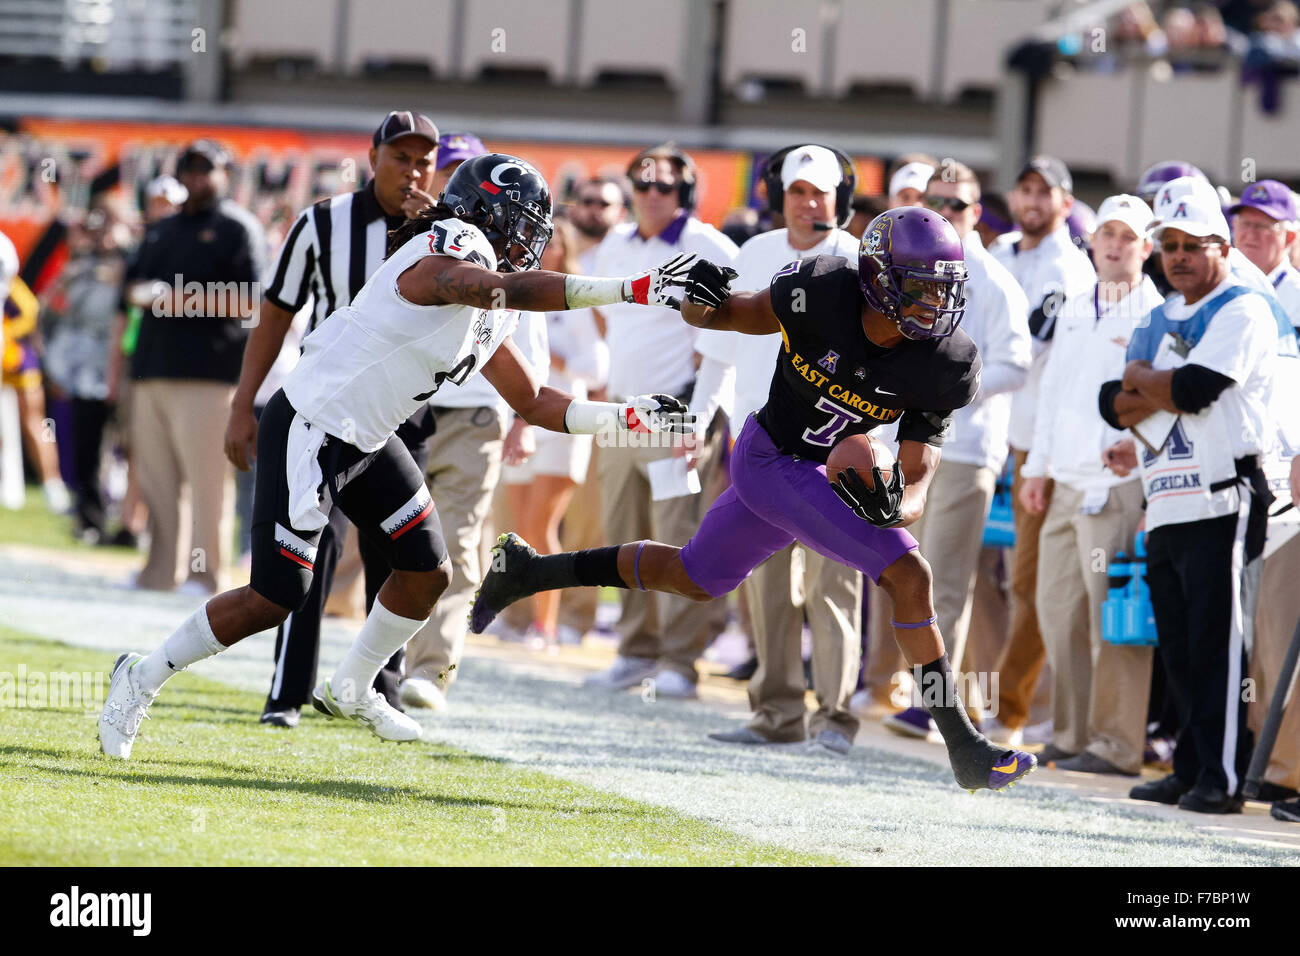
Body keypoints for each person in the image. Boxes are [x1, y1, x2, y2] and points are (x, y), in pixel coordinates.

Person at [97, 152, 703, 759]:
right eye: (519, 222)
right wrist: (639, 289)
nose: (528, 239)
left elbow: (538, 404)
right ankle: (141, 676)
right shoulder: (449, 251)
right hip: (312, 424)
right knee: (275, 597)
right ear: (483, 213)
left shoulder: (489, 301)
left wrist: (629, 418)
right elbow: (497, 285)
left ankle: (352, 684)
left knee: (427, 572)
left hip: (367, 436)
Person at [471, 207, 1038, 792]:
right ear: (876, 278)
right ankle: (965, 747)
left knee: (694, 575)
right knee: (909, 575)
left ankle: (529, 571)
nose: (933, 304)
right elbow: (732, 316)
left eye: (944, 288)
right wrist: (698, 301)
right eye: (919, 288)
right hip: (768, 456)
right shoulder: (820, 291)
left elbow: (918, 479)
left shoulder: (948, 361)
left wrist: (896, 505)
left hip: (817, 474)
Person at [226, 110, 441, 728]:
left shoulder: (444, 234)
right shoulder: (322, 222)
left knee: (400, 555)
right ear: (372, 157)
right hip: (324, 413)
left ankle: (380, 692)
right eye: (401, 157)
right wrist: (243, 405)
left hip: (400, 416)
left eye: (424, 160)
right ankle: (287, 693)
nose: (412, 171)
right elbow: (274, 313)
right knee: (307, 556)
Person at [1099, 191, 1294, 813]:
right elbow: (1111, 402)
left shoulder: (1244, 307)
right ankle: (1188, 765)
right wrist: (1152, 390)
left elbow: (1194, 388)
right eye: (1170, 246)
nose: (1178, 257)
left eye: (1193, 245)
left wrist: (1146, 384)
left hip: (1225, 495)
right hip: (1167, 493)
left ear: (1224, 249)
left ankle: (1226, 778)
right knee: (1178, 645)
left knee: (1218, 644)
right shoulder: (1161, 313)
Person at [694, 144, 864, 754]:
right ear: (780, 195)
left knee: (832, 584)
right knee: (766, 586)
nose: (809, 202)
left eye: (820, 192)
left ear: (838, 198)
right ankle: (776, 714)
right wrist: (698, 425)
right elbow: (717, 352)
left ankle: (836, 719)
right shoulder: (755, 255)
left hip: (835, 449)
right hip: (759, 449)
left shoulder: (856, 259)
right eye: (798, 191)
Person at [880, 161, 1032, 739]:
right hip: (912, 441)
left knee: (943, 579)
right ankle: (919, 692)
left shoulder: (994, 281)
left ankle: (935, 706)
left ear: (977, 213)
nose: (945, 213)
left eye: (958, 205)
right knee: (904, 568)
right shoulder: (912, 269)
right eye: (933, 201)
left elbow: (1017, 365)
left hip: (966, 450)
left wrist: (949, 395)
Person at [581, 143, 739, 699]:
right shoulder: (615, 244)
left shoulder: (710, 246)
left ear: (685, 192)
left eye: (665, 186)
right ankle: (634, 650)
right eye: (642, 185)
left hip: (678, 411)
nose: (652, 195)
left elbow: (721, 339)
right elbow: (602, 316)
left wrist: (700, 416)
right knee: (623, 533)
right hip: (621, 411)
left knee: (678, 541)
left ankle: (680, 660)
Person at [1020, 194, 1164, 775]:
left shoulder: (1159, 314)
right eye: (1107, 232)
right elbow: (1053, 393)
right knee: (1058, 613)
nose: (1114, 243)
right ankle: (1073, 735)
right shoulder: (1077, 305)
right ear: (1092, 238)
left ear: (1145, 248)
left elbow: (1162, 403)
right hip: (1065, 484)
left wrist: (1144, 456)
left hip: (1117, 487)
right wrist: (1036, 470)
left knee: (1114, 621)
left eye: (1128, 236)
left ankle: (1118, 744)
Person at [124, 140, 269, 595]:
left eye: (207, 169)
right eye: (189, 169)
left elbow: (251, 300)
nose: (196, 178)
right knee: (157, 478)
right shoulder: (162, 229)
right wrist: (147, 294)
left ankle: (205, 575)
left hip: (209, 373)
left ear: (227, 174)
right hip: (152, 369)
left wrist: (175, 297)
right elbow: (130, 287)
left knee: (207, 479)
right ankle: (159, 571)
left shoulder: (237, 228)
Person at [987, 156, 1097, 746]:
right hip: (981, 429)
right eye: (1024, 188)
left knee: (1030, 581)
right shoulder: (999, 253)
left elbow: (1032, 351)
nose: (1031, 200)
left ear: (1063, 201)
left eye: (1043, 192)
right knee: (973, 577)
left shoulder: (1073, 270)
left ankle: (1012, 708)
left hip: (1033, 439)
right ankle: (964, 691)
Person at [501, 218, 607, 649]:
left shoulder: (575, 296)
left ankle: (545, 625)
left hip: (563, 422)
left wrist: (557, 359)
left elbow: (598, 367)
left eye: (556, 244)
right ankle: (519, 618)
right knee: (518, 529)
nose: (548, 250)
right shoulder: (512, 290)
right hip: (519, 423)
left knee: (540, 526)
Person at [1228, 180, 1300, 804]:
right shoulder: (1225, 292)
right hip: (1242, 484)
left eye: (1265, 226)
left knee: (1279, 632)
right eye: (1243, 224)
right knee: (1252, 635)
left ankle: (1284, 768)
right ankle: (1260, 757)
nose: (1251, 235)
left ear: (1290, 237)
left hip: (1290, 486)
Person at [41, 206, 131, 542]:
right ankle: (90, 519)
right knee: (87, 447)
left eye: (111, 228)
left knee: (129, 450)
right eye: (99, 229)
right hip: (85, 370)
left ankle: (130, 524)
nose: (104, 236)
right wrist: (57, 362)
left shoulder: (134, 265)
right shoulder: (80, 267)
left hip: (127, 367)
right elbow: (49, 306)